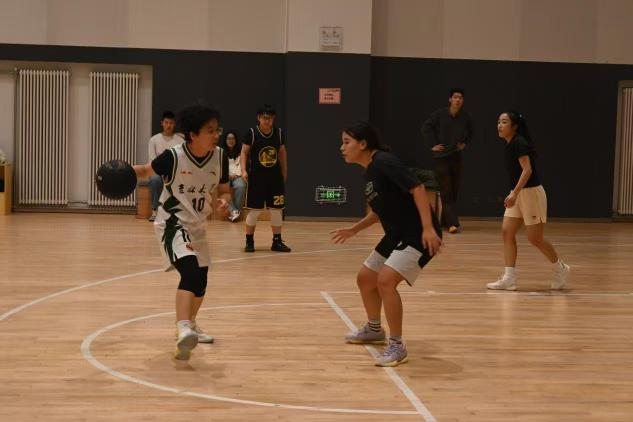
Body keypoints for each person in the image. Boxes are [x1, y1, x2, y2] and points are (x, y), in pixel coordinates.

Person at [330, 122, 442, 367]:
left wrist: (428, 228)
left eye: (346, 142)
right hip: (395, 234)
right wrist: (354, 230)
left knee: (385, 281)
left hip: (417, 234)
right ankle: (374, 329)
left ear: (363, 144)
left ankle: (397, 346)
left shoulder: (384, 162)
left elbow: (417, 187)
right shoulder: (370, 172)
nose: (342, 148)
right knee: (365, 278)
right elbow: (379, 212)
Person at [133, 105, 231, 360]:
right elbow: (145, 170)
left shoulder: (220, 157)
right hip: (172, 223)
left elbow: (224, 188)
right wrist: (122, 171)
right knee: (189, 270)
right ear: (193, 135)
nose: (216, 135)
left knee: (201, 280)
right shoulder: (172, 157)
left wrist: (225, 201)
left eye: (217, 130)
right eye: (210, 131)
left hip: (198, 226)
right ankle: (183, 327)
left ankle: (192, 324)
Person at [486, 111, 570, 291]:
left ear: (514, 126)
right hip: (517, 193)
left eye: (504, 122)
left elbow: (527, 170)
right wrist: (514, 193)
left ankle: (561, 268)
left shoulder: (519, 143)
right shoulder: (509, 144)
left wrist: (514, 193)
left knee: (535, 238)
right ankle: (509, 278)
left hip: (531, 194)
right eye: (498, 122)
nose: (499, 125)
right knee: (507, 232)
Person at [421, 88, 474, 234]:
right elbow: (426, 127)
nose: (458, 100)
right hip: (441, 157)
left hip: (456, 156)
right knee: (446, 189)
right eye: (455, 97)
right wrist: (432, 145)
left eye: (460, 98)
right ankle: (452, 223)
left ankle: (445, 221)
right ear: (450, 99)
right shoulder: (439, 114)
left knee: (454, 189)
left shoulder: (465, 116)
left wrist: (464, 143)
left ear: (463, 101)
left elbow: (471, 131)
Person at [240, 104, 290, 252]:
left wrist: (285, 170)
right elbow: (244, 152)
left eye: (270, 118)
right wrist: (243, 170)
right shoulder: (251, 133)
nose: (268, 121)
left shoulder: (279, 133)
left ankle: (277, 241)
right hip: (256, 178)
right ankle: (249, 242)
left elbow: (282, 152)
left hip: (274, 177)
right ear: (259, 118)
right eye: (265, 118)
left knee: (276, 210)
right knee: (254, 211)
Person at [147, 111, 183, 222]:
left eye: (171, 123)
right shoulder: (154, 140)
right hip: (157, 172)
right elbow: (152, 161)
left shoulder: (180, 140)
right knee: (155, 179)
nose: (168, 125)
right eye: (166, 122)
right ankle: (155, 210)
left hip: (174, 172)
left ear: (174, 124)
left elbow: (182, 160)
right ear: (162, 123)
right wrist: (162, 173)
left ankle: (176, 212)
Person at [220, 130, 246, 222]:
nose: (231, 140)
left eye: (233, 138)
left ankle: (235, 212)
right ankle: (235, 211)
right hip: (225, 177)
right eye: (229, 138)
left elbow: (242, 165)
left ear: (235, 140)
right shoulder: (220, 152)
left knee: (241, 186)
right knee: (222, 190)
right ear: (225, 140)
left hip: (237, 176)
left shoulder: (241, 151)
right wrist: (227, 175)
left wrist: (237, 175)